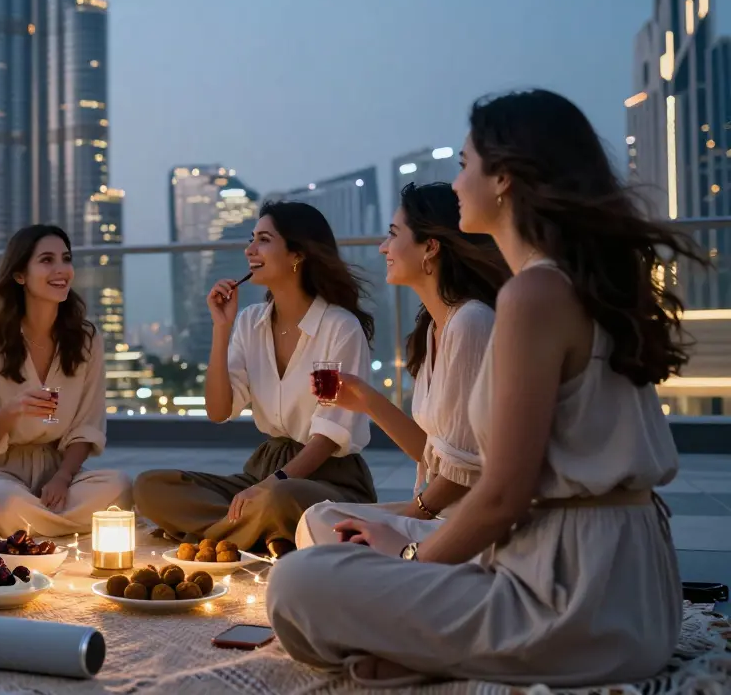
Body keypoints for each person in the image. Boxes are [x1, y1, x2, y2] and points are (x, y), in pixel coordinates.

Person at [267, 89, 696, 687]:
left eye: (466, 164)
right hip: (619, 584)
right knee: (327, 555)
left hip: (575, 597)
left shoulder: (533, 295)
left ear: (504, 180)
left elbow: (500, 497)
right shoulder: (568, 287)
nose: (458, 179)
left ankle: (448, 652)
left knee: (296, 585)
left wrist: (411, 555)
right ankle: (429, 650)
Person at [133, 202, 378, 558]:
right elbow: (219, 411)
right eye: (252, 240)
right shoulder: (250, 322)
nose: (249, 250)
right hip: (264, 468)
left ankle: (214, 541)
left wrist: (272, 485)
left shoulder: (340, 327)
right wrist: (221, 328)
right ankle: (263, 535)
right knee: (150, 487)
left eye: (263, 240)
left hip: (328, 478)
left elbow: (328, 437)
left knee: (279, 500)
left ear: (297, 254)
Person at [294, 182, 507, 549]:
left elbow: (465, 472)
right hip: (442, 514)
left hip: (473, 527)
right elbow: (436, 454)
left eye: (393, 235)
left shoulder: (472, 323)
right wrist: (365, 399)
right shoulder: (434, 329)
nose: (383, 247)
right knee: (318, 520)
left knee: (330, 538)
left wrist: (405, 517)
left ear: (430, 247)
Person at [0, 224, 132, 539]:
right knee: (3, 504)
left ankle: (27, 528)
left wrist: (63, 478)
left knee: (120, 487)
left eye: (66, 258)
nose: (61, 269)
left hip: (58, 469)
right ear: (20, 274)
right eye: (47, 260)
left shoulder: (86, 338)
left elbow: (87, 425)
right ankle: (48, 525)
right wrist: (14, 411)